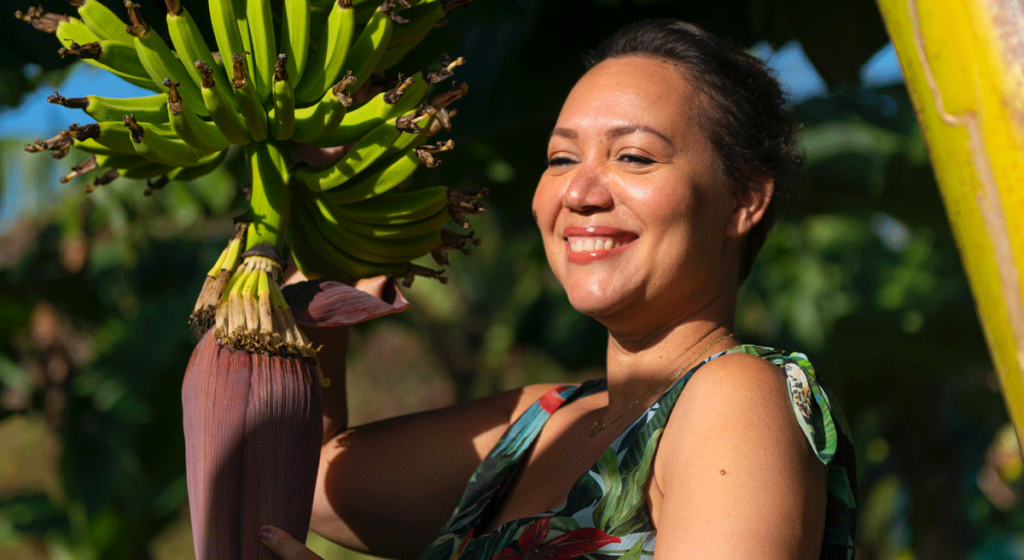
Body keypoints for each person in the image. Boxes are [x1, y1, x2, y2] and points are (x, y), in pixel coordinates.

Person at [261, 18, 856, 560]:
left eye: (633, 156)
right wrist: (330, 218)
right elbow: (293, 478)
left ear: (744, 199)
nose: (579, 193)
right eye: (561, 158)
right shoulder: (539, 423)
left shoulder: (736, 394)